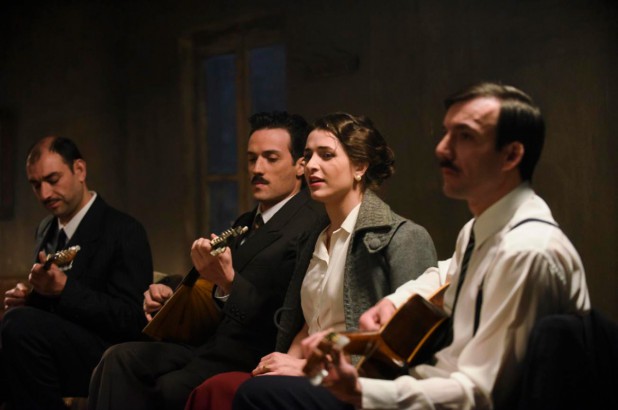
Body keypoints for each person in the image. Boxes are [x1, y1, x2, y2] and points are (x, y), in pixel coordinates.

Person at [232, 82, 591, 410]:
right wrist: (394, 302)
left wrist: (361, 391)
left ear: (511, 155)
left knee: (255, 396)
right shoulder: (479, 230)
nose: (442, 148)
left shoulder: (526, 251)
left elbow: (483, 394)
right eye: (446, 133)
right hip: (426, 386)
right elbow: (444, 273)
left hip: (441, 397)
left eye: (465, 136)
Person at [183, 112, 437, 410]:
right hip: (311, 374)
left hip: (361, 385)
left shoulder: (404, 237)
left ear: (359, 166)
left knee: (252, 393)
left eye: (326, 155)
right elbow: (308, 323)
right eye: (308, 155)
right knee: (213, 390)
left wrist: (306, 369)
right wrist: (284, 362)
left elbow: (408, 347)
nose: (311, 165)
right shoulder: (313, 238)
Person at [87, 111, 325, 410]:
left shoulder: (309, 224)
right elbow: (209, 285)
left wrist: (229, 282)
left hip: (251, 351)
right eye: (252, 159)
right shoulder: (246, 221)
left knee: (165, 387)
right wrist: (172, 295)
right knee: (118, 358)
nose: (257, 169)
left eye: (271, 158)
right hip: (209, 342)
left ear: (300, 165)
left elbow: (284, 316)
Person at [0, 136, 153, 410]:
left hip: (107, 353)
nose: (45, 194)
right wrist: (30, 299)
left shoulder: (124, 230)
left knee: (17, 327)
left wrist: (64, 290)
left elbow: (133, 319)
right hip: (53, 348)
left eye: (53, 179)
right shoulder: (46, 229)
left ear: (79, 170)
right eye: (36, 185)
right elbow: (51, 310)